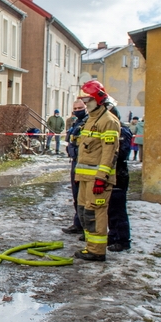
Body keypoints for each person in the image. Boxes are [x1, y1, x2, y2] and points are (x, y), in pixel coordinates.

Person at [73, 80, 121, 262]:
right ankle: (91, 247)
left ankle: (97, 250)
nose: (85, 106)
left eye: (88, 102)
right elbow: (86, 151)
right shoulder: (91, 120)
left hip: (97, 180)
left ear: (99, 99)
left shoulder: (108, 122)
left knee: (95, 213)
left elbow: (110, 152)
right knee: (84, 212)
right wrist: (79, 175)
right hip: (85, 178)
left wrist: (101, 178)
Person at [106, 106, 133, 252]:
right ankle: (113, 235)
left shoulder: (122, 131)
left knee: (118, 209)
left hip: (119, 175)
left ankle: (123, 240)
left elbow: (122, 154)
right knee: (110, 209)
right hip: (110, 175)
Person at [62, 99, 88, 235]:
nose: (77, 110)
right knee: (77, 196)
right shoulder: (76, 123)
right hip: (75, 161)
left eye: (80, 108)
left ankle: (86, 227)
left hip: (84, 162)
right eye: (75, 108)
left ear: (86, 108)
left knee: (85, 197)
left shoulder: (88, 123)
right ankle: (78, 224)